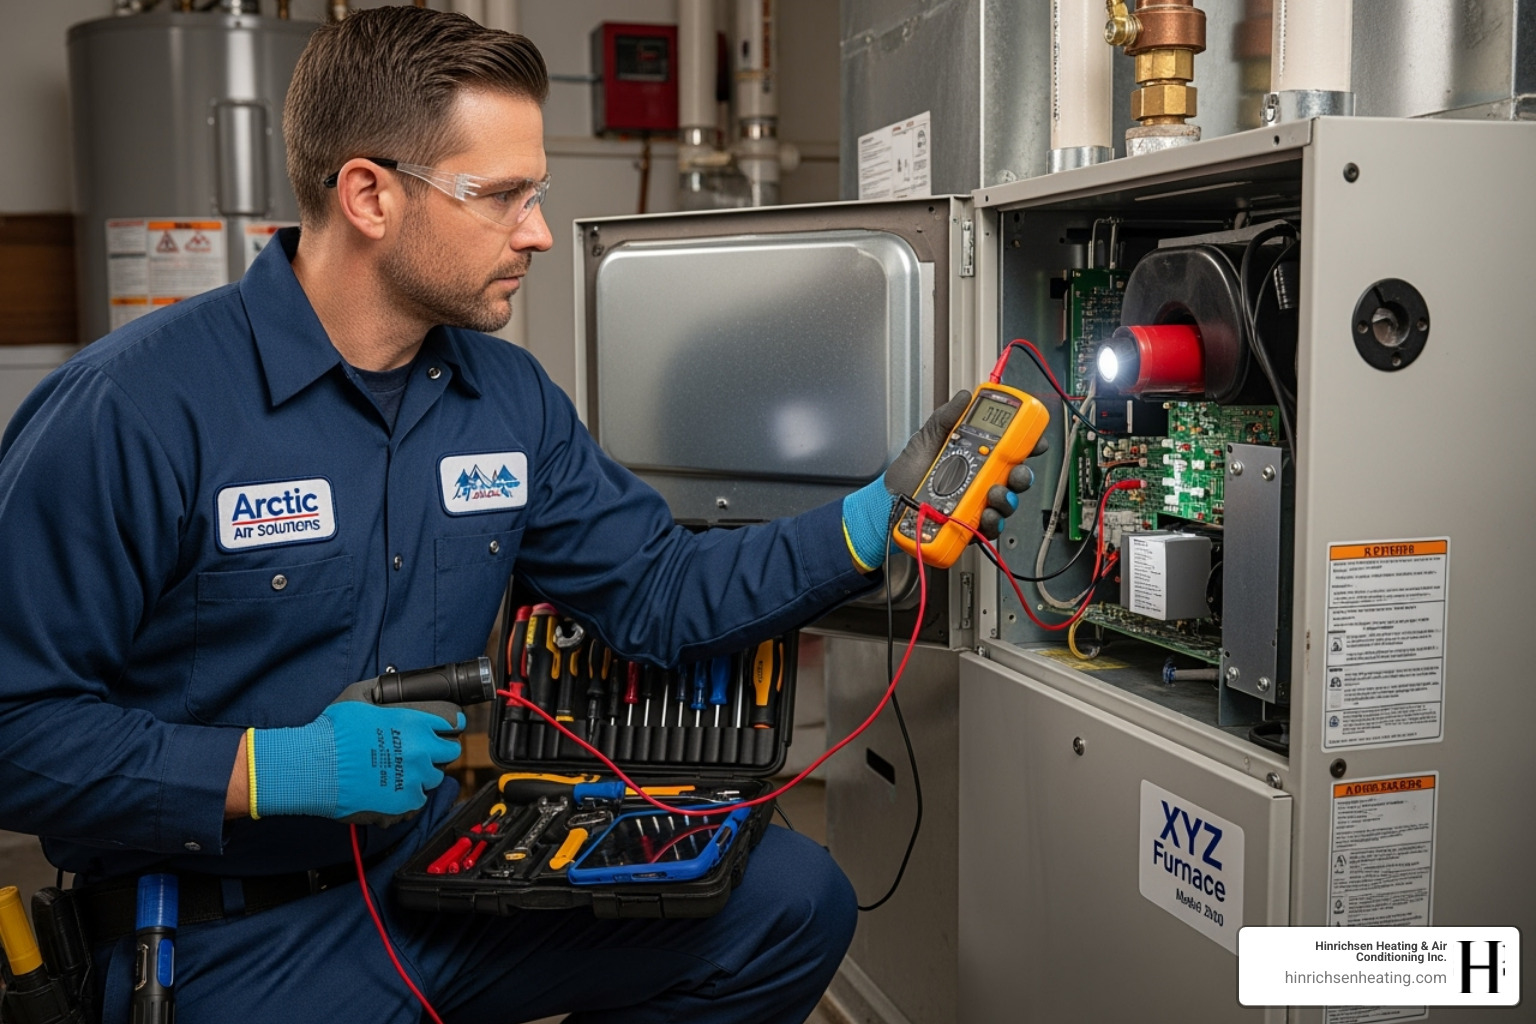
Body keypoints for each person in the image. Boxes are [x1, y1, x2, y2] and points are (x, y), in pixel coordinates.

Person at [0, 9, 1034, 1023]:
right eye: (500, 197)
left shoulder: (507, 400)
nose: (536, 231)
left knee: (790, 908)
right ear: (369, 193)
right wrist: (269, 770)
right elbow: (16, 733)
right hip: (226, 937)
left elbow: (659, 592)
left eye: (535, 194)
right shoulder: (134, 410)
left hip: (436, 879)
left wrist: (869, 523)